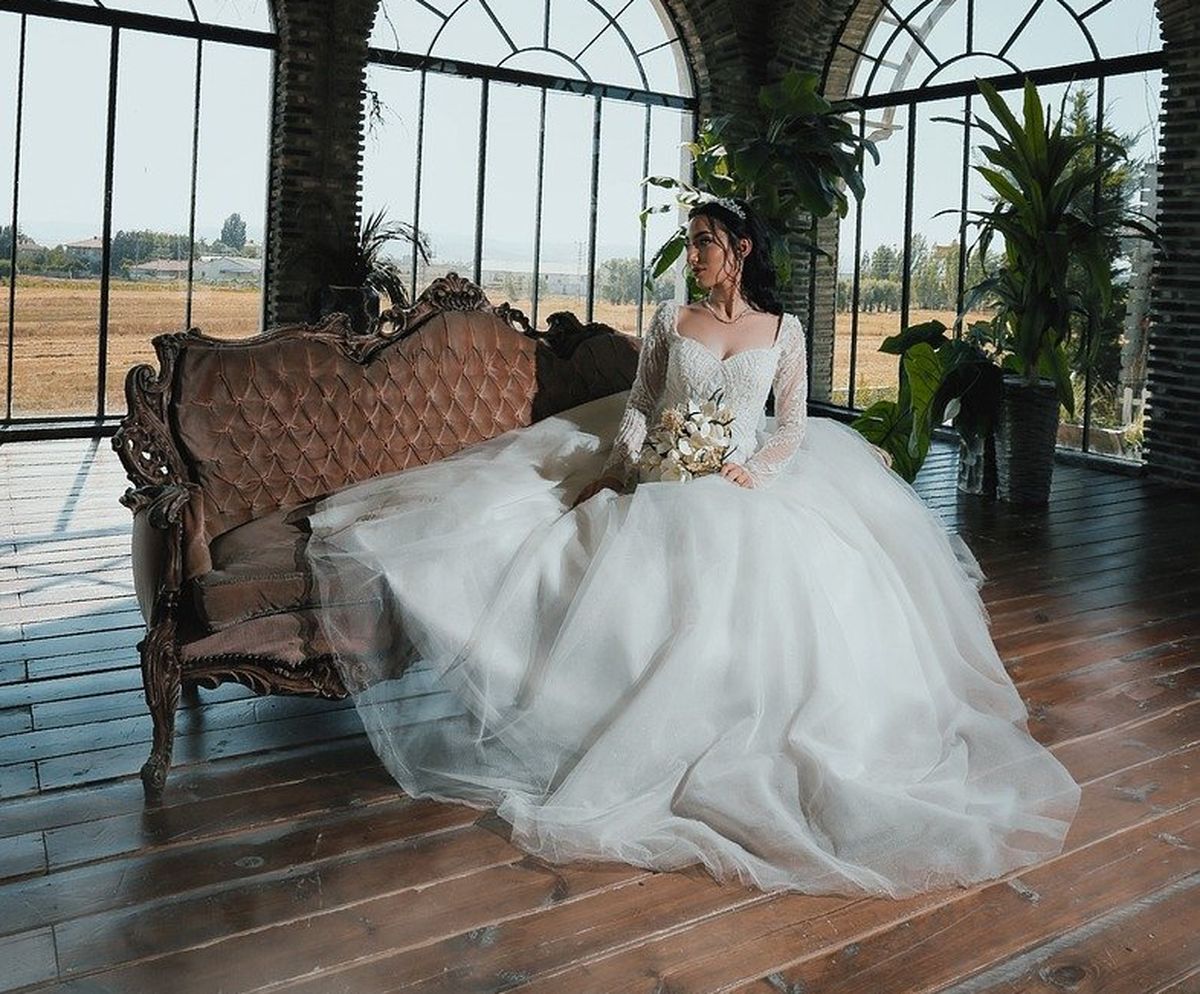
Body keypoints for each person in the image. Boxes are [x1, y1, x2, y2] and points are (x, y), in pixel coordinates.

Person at [303, 197, 1080, 898]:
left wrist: (755, 468)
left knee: (776, 580)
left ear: (741, 249)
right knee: (579, 550)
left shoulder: (784, 332)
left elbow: (791, 428)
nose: (696, 255)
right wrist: (626, 469)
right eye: (691, 243)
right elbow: (642, 406)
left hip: (745, 480)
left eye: (706, 242)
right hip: (664, 473)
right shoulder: (672, 323)